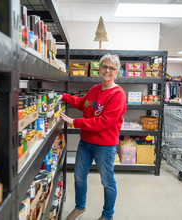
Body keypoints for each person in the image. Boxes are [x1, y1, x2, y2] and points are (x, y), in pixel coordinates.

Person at [57, 54, 126, 220]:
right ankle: (80, 208)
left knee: (107, 182)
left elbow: (103, 122)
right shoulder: (95, 89)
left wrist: (75, 122)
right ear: (99, 69)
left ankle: (107, 215)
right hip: (85, 142)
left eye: (112, 68)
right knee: (79, 177)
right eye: (104, 67)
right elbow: (82, 104)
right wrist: (64, 96)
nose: (107, 70)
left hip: (105, 146)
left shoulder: (118, 95)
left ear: (117, 72)